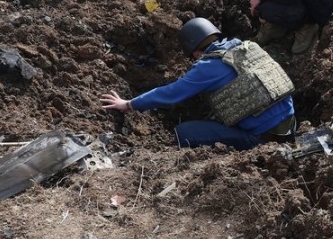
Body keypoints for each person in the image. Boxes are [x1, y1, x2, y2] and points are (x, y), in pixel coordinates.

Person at [100, 17, 296, 150]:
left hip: (263, 140)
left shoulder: (208, 66)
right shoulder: (248, 47)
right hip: (291, 125)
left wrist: (128, 104)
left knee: (183, 132)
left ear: (195, 52)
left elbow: (171, 93)